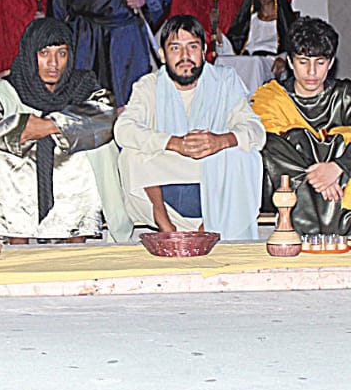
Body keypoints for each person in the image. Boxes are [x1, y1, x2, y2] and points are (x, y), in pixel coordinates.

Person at [0, 16, 127, 243]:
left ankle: (76, 240)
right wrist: (22, 128)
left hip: (71, 174)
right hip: (22, 175)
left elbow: (106, 116)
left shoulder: (82, 85)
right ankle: (18, 241)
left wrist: (50, 126)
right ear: (30, 54)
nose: (54, 63)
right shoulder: (7, 89)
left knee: (90, 147)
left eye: (61, 53)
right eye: (44, 53)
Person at [114, 14, 266, 239]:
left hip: (211, 169)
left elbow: (255, 130)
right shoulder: (149, 85)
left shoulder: (225, 80)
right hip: (168, 167)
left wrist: (219, 141)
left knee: (244, 155)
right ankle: (165, 224)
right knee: (130, 154)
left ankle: (209, 226)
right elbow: (124, 128)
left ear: (203, 51)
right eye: (175, 48)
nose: (185, 56)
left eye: (192, 47)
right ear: (162, 55)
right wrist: (174, 143)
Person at [251, 16, 351, 236]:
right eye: (303, 62)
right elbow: (272, 148)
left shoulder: (346, 96)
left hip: (341, 185)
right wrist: (321, 177)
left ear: (330, 63)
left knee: (347, 138)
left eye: (320, 62)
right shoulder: (272, 98)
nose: (312, 72)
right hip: (295, 189)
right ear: (290, 62)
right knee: (277, 142)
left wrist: (337, 167)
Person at [225, 0, 296, 56]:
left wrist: (282, 57)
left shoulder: (283, 20)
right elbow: (234, 46)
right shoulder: (251, 19)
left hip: (271, 60)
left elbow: (290, 46)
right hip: (249, 59)